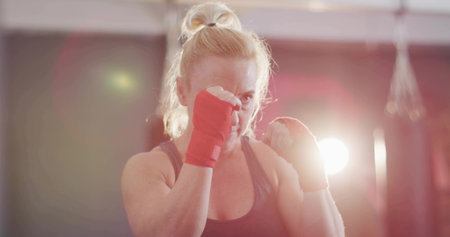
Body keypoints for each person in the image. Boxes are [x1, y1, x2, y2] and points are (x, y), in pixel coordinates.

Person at [121, 2, 345, 237]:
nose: (233, 112)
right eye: (217, 95)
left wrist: (314, 179)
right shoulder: (149, 169)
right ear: (182, 91)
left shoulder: (270, 164)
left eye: (246, 97)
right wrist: (205, 143)